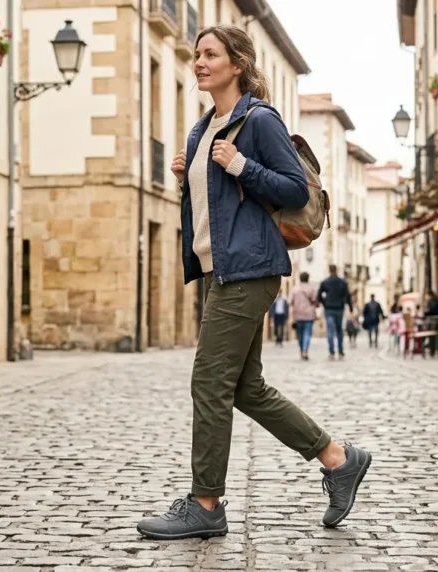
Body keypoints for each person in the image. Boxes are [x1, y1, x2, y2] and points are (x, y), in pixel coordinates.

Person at [136, 24, 371, 541]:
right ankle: (338, 459)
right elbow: (217, 206)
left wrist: (240, 164)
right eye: (196, 54)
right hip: (224, 268)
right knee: (246, 388)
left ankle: (206, 504)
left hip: (249, 269)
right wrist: (187, 178)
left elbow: (291, 187)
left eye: (210, 54)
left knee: (209, 382)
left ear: (237, 64)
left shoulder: (258, 120)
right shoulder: (204, 128)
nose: (199, 62)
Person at [317, 265, 354, 360]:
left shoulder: (325, 282)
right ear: (336, 270)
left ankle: (331, 351)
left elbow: (319, 296)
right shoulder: (342, 282)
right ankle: (341, 351)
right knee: (339, 330)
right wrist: (350, 309)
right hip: (339, 308)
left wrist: (324, 302)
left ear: (329, 270)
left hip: (329, 308)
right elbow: (347, 296)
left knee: (330, 330)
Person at [290, 272, 319, 360]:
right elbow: (315, 301)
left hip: (298, 314)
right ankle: (305, 350)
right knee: (307, 333)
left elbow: (290, 302)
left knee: (299, 334)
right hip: (309, 314)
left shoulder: (295, 289)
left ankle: (301, 350)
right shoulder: (312, 288)